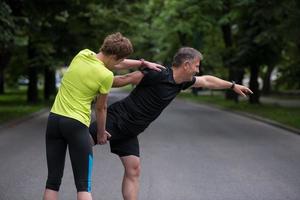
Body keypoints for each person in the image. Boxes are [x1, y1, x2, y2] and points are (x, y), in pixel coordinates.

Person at [89, 47, 253, 200]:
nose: (198, 70)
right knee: (81, 142)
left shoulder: (181, 82)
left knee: (134, 169)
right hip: (117, 119)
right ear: (187, 65)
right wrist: (89, 83)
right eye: (196, 66)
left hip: (131, 131)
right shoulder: (157, 74)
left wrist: (232, 85)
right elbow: (123, 79)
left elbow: (207, 81)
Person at [42, 32, 163, 200]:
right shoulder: (105, 76)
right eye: (120, 60)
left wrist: (142, 63)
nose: (121, 63)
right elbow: (101, 108)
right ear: (113, 56)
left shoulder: (83, 54)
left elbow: (116, 63)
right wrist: (100, 132)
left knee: (52, 182)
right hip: (76, 125)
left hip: (54, 121)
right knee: (83, 187)